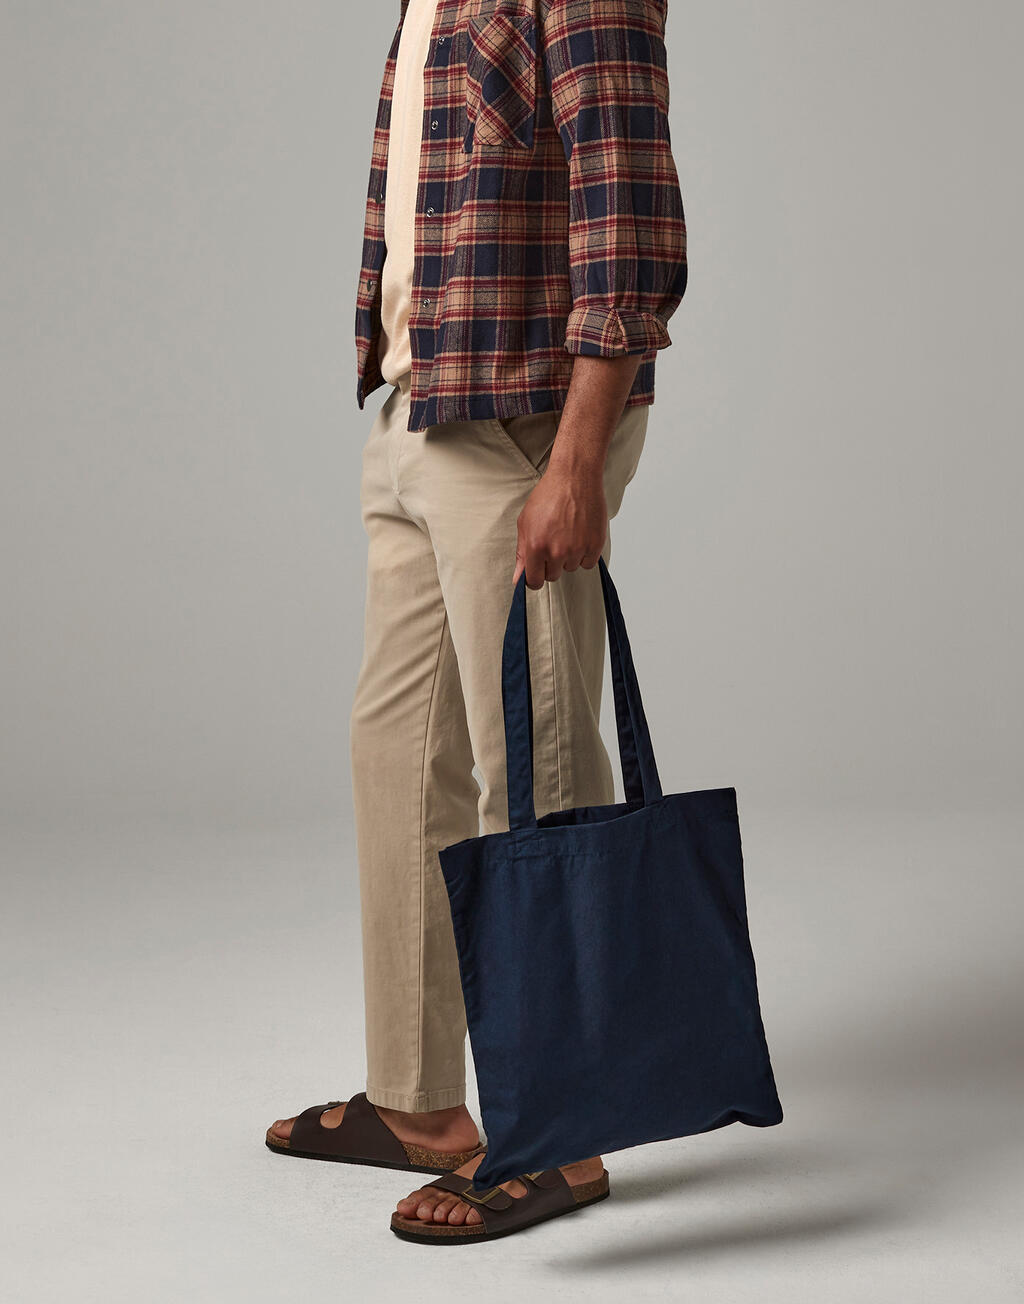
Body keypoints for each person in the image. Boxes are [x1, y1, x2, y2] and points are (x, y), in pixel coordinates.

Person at [266, 0, 686, 1243]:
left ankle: (563, 1124)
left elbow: (629, 210)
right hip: (420, 399)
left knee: (536, 762)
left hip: (521, 419)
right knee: (398, 752)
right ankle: (418, 1100)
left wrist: (577, 460)